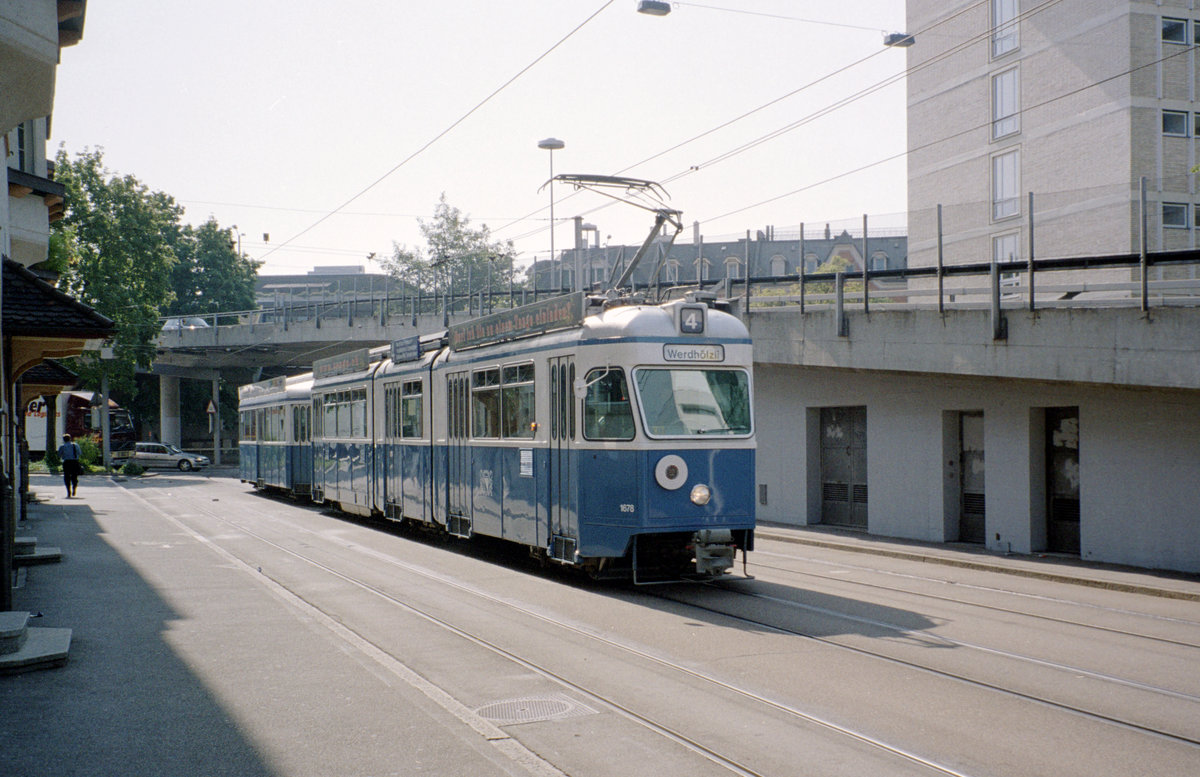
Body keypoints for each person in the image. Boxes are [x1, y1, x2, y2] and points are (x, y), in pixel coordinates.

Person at [58, 433, 82, 498]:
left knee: (67, 477)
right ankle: (74, 488)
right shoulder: (75, 445)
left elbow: (59, 455)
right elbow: (79, 453)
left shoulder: (62, 446)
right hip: (74, 462)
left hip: (66, 462)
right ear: (70, 439)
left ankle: (68, 491)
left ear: (64, 440)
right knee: (74, 476)